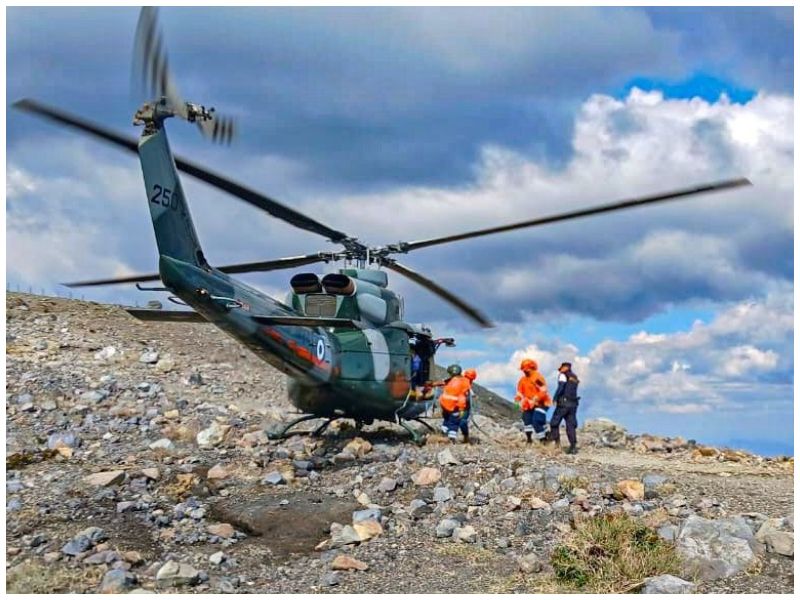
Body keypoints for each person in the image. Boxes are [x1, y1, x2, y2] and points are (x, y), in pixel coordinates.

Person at [514, 359, 551, 444]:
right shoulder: (522, 380)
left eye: (526, 369)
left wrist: (535, 399)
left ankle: (543, 440)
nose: (524, 371)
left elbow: (543, 391)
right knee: (526, 420)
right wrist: (517, 400)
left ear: (531, 368)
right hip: (529, 404)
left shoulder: (537, 378)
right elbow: (519, 393)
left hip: (542, 403)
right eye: (523, 369)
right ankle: (529, 440)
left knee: (537, 420)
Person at [549, 362, 581, 454]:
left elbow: (561, 387)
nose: (560, 370)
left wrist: (555, 398)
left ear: (566, 367)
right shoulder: (574, 377)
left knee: (554, 423)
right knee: (570, 425)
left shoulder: (563, 375)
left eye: (561, 368)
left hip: (564, 403)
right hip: (573, 404)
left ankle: (557, 444)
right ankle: (573, 446)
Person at [439, 364, 471, 443]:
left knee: (448, 421)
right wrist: (461, 409)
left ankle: (444, 435)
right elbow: (461, 398)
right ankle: (450, 438)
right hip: (453, 407)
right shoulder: (463, 382)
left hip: (447, 407)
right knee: (453, 423)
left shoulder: (451, 381)